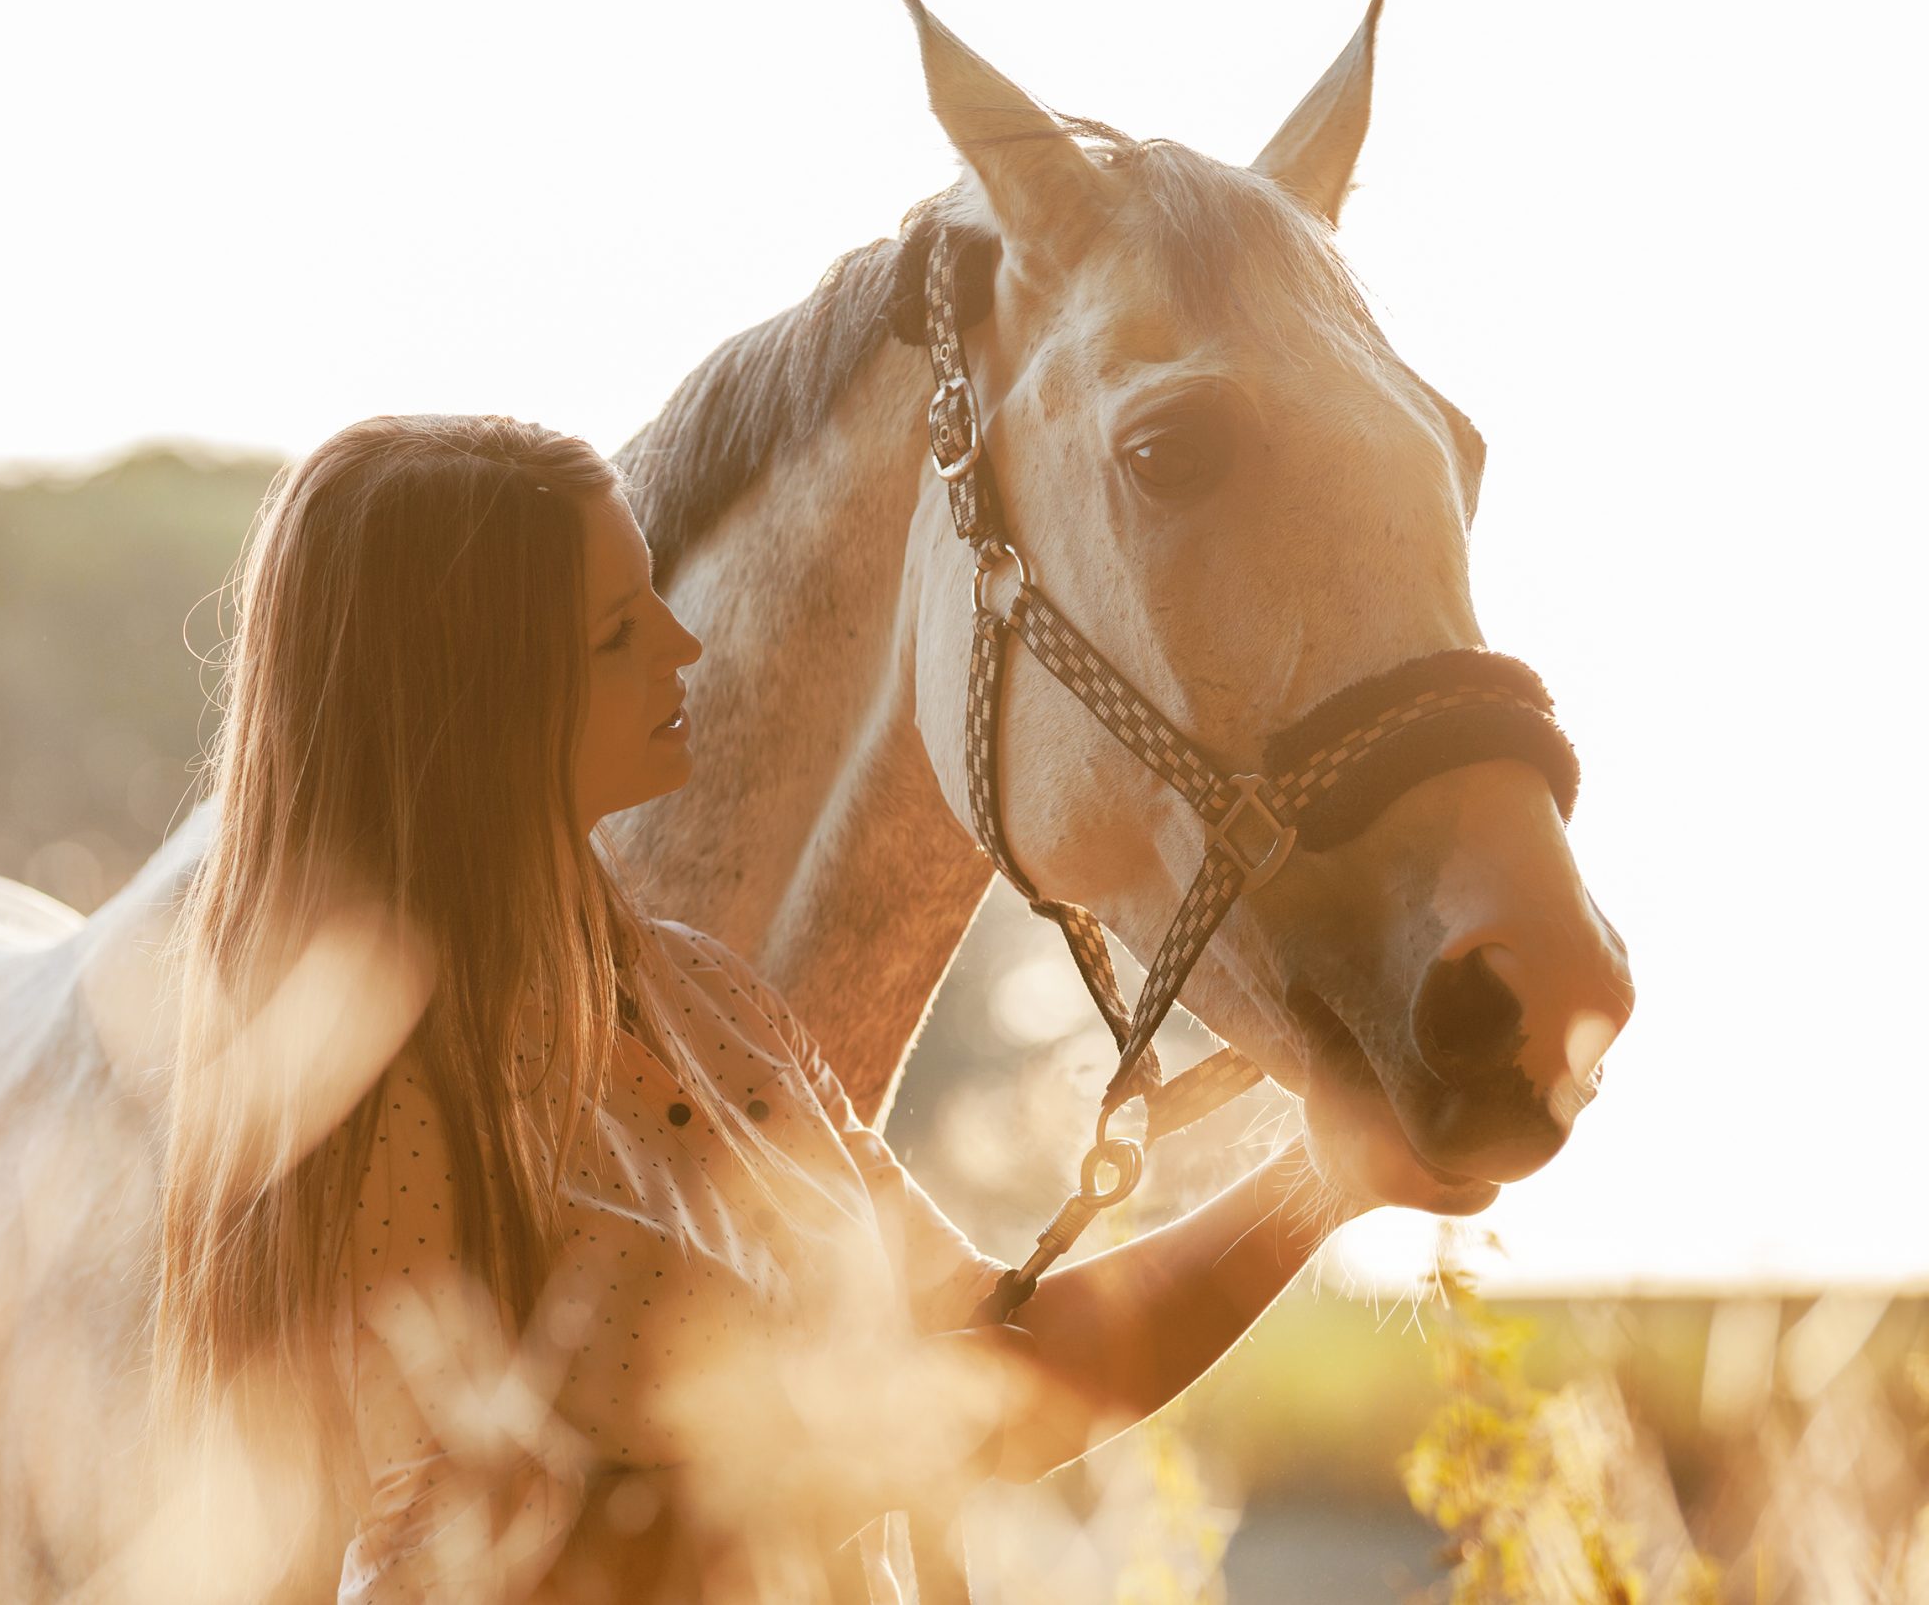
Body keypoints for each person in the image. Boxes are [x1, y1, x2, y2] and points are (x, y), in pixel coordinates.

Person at [153, 415, 1370, 1603]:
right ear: (474, 699)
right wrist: (1332, 1171)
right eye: (617, 633)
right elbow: (986, 1412)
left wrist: (1334, 1155)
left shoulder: (712, 1002)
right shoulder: (382, 1106)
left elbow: (1005, 1339)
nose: (683, 644)